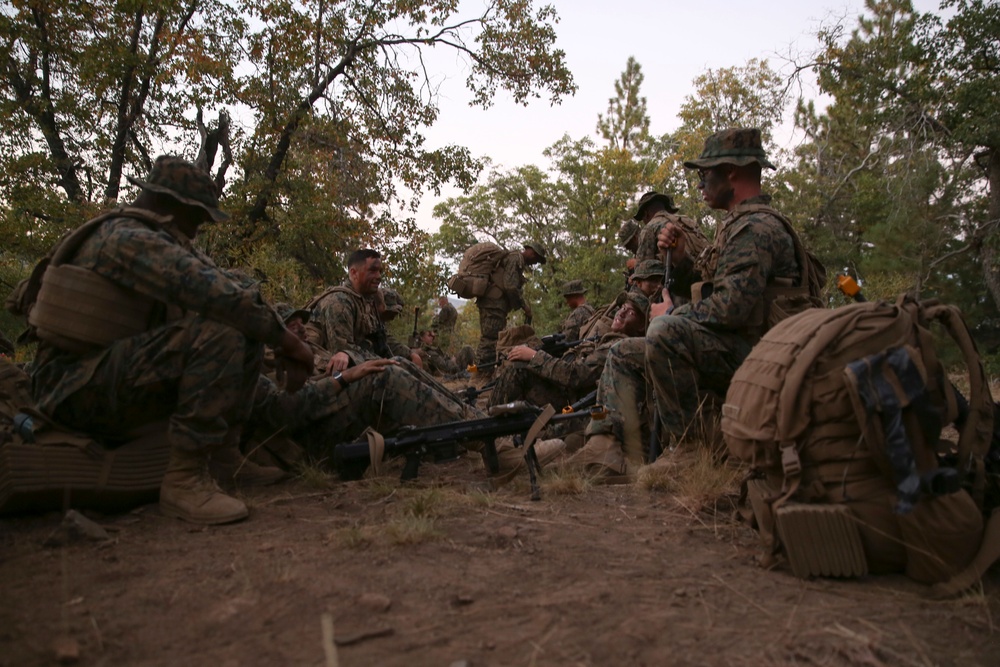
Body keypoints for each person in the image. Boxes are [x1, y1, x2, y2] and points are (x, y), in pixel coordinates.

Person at [25, 155, 314, 524]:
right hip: (69, 386)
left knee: (246, 318)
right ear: (168, 203)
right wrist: (291, 346)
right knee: (224, 325)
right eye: (196, 216)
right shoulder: (126, 239)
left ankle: (223, 457)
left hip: (106, 373)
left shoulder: (161, 237)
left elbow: (239, 288)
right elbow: (217, 296)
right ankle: (184, 477)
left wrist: (276, 332)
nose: (197, 229)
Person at [572, 128, 806, 476]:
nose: (700, 185)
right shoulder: (737, 226)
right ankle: (606, 450)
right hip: (738, 344)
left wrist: (673, 313)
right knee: (623, 353)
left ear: (730, 172)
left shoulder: (755, 229)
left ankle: (691, 451)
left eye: (704, 175)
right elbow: (717, 289)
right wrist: (681, 258)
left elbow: (730, 309)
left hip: (761, 353)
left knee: (666, 330)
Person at [490, 291, 650, 409]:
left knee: (519, 371)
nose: (621, 313)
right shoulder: (608, 339)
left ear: (642, 325)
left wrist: (534, 357)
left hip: (573, 401)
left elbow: (575, 376)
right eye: (622, 307)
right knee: (519, 368)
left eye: (631, 312)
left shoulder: (620, 348)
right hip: (567, 393)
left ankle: (488, 425)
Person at [304, 249, 388, 373]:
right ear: (354, 273)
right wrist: (384, 362)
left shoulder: (365, 302)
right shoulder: (339, 302)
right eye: (372, 271)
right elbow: (343, 352)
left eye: (379, 271)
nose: (378, 277)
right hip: (326, 372)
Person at [474, 241, 546, 378]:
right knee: (489, 339)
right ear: (530, 252)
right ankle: (481, 376)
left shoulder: (515, 259)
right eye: (536, 258)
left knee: (491, 338)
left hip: (494, 303)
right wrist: (523, 306)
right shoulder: (515, 259)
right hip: (494, 304)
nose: (535, 262)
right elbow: (510, 286)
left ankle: (483, 372)